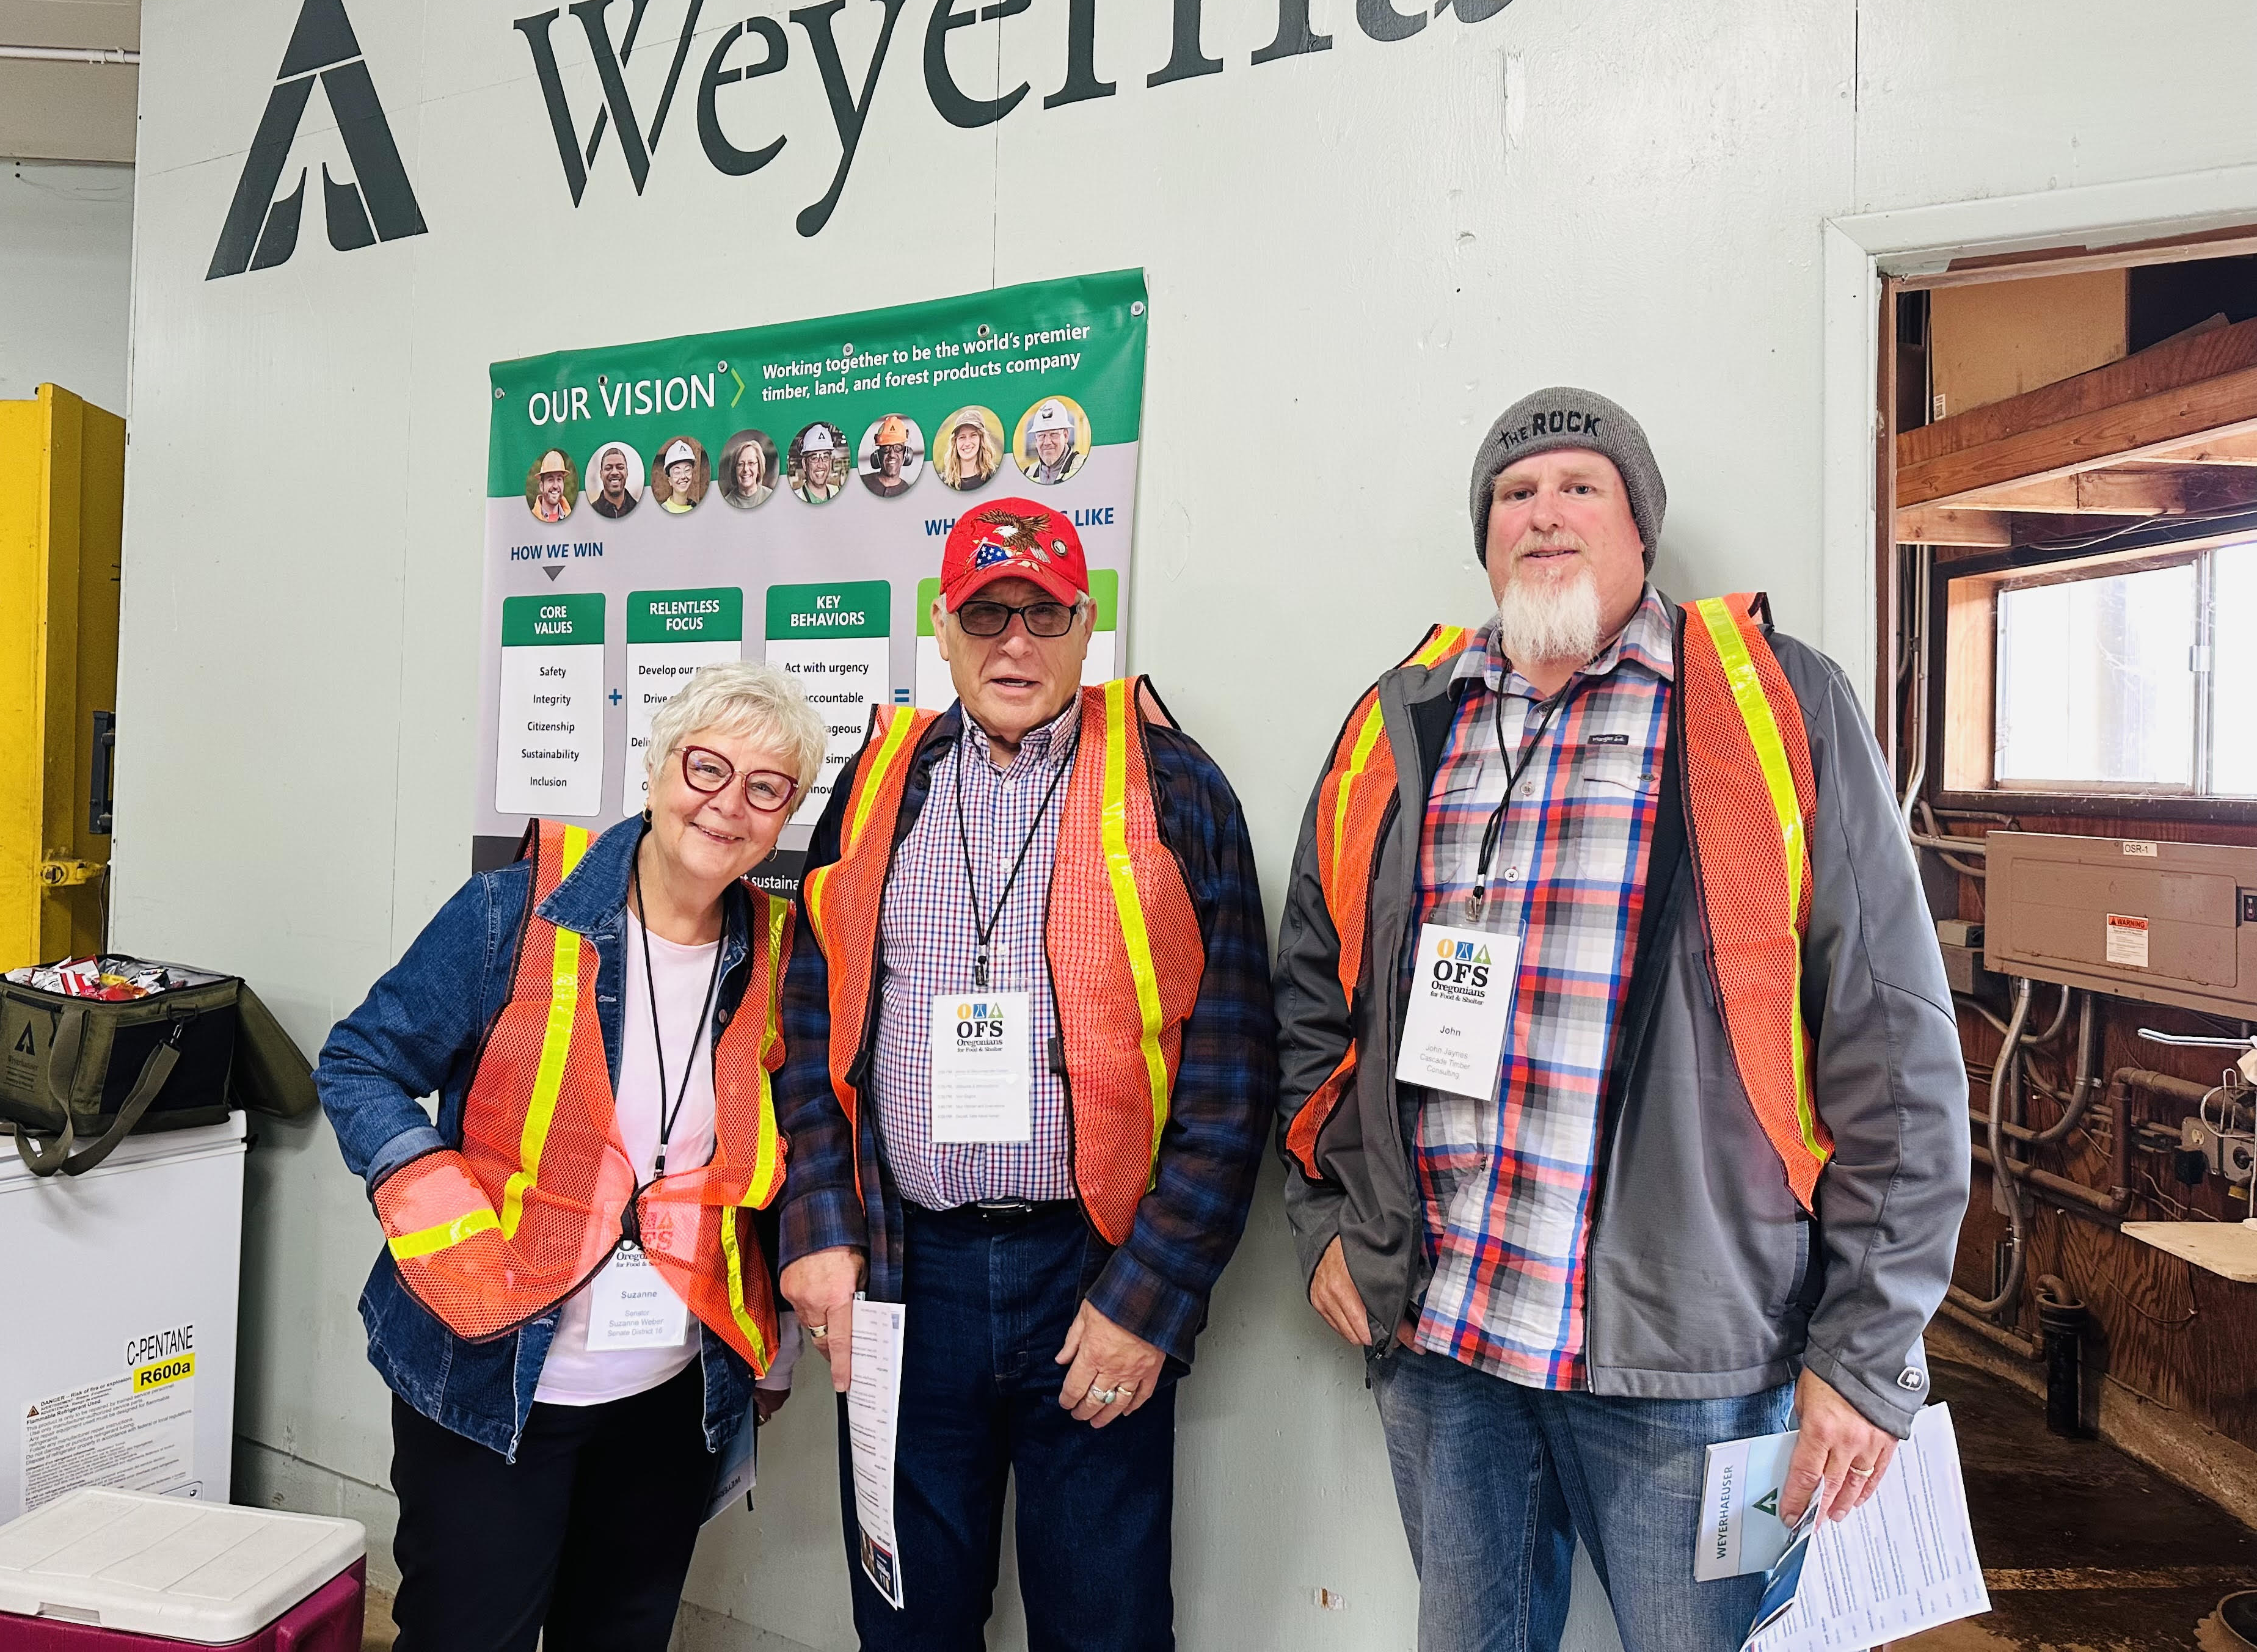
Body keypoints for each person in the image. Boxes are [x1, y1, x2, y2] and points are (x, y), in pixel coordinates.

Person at [1273, 388, 1966, 1652]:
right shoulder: (1403, 717)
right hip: (1444, 1341)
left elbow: (1896, 1042)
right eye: (1514, 495)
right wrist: (1327, 1219)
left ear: (1640, 526)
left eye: (1578, 488)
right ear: (1485, 539)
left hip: (1709, 1369)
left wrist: (1866, 1351)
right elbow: (1312, 993)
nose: (1544, 514)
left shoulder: (1771, 703)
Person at [775, 497, 1275, 1652]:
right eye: (986, 612)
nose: (1014, 641)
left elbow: (1233, 1073)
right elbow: (811, 1022)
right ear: (941, 629)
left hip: (1090, 1277)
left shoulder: (1176, 789)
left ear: (1086, 624)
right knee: (907, 1622)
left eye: (1043, 612)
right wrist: (816, 1220)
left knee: (1103, 1623)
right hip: (909, 1273)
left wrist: (1147, 1298)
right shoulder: (876, 785)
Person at [316, 664, 830, 1652]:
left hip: (673, 1394)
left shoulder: (779, 949)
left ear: (786, 815)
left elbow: (782, 1152)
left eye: (767, 786)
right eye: (706, 766)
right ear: (654, 767)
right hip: (494, 1373)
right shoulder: (514, 912)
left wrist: (778, 1339)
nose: (728, 804)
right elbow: (359, 1060)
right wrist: (434, 1198)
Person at [936, 406, 1000, 492]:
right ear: (955, 443)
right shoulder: (944, 481)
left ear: (981, 439)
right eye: (962, 437)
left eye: (973, 435)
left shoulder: (995, 476)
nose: (967, 443)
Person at [1019, 400, 1081, 486]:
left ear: (1066, 436)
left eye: (1054, 434)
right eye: (1042, 436)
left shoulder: (1083, 466)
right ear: (1036, 440)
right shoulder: (1028, 473)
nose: (1047, 442)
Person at [862, 414, 919, 497]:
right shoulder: (864, 482)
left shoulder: (908, 491)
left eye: (898, 448)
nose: (892, 454)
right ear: (878, 455)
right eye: (886, 449)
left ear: (906, 454)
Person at [720, 434, 775, 511]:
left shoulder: (771, 497)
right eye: (741, 464)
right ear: (734, 470)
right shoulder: (727, 503)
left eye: (751, 463)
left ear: (759, 468)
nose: (745, 469)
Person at [792, 423, 844, 504]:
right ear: (805, 464)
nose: (820, 465)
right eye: (814, 458)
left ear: (830, 462)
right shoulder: (793, 501)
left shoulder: (840, 493)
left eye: (825, 457)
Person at [591, 442, 639, 520]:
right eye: (608, 468)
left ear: (627, 472)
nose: (615, 472)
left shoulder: (640, 510)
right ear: (601, 474)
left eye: (620, 467)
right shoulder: (590, 512)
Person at [657, 438, 704, 515]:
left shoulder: (696, 508)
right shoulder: (663, 512)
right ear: (670, 480)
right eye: (677, 472)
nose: (683, 476)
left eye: (687, 470)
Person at [533, 446, 577, 524]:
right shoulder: (530, 520)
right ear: (541, 486)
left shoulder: (574, 520)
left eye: (559, 479)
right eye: (550, 480)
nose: (556, 486)